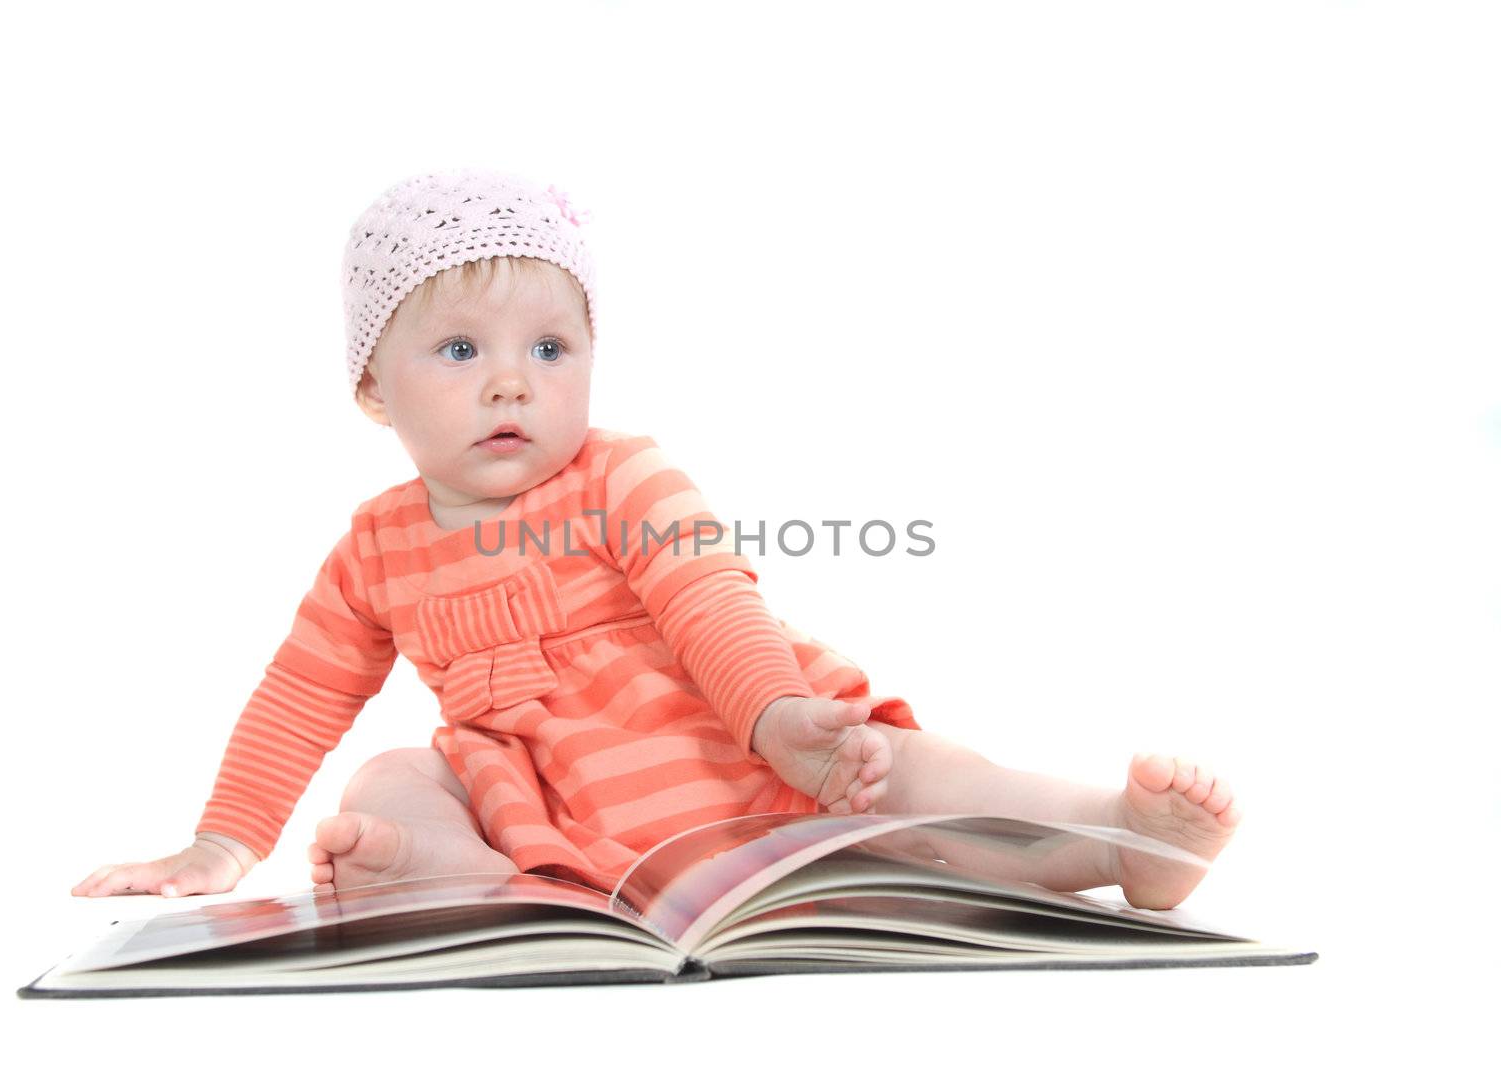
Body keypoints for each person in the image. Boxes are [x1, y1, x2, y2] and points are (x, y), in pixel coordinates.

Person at [72, 168, 1240, 912]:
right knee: (390, 772)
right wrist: (223, 841)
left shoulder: (623, 472)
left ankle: (1113, 837)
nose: (509, 386)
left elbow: (709, 598)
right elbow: (297, 696)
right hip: (558, 819)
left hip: (755, 756)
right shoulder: (373, 550)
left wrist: (784, 721)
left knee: (934, 791)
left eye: (549, 347)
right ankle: (462, 879)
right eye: (461, 351)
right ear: (373, 384)